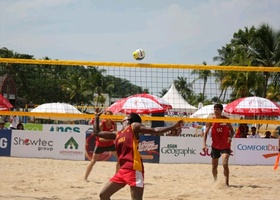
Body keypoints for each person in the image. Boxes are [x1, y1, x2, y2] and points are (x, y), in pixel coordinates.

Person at [93, 108, 184, 200]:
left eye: (126, 115)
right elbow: (97, 133)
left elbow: (155, 130)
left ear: (128, 118)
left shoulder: (134, 126)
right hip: (122, 169)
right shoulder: (118, 134)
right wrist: (96, 117)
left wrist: (174, 126)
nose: (124, 115)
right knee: (103, 195)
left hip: (134, 169)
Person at [202, 104, 235, 186]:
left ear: (221, 110)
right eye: (214, 109)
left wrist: (230, 137)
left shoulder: (226, 120)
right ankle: (215, 180)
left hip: (225, 146)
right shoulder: (211, 120)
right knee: (214, 167)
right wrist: (204, 144)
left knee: (224, 164)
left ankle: (227, 183)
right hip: (215, 146)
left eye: (217, 109)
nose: (215, 110)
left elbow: (233, 131)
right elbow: (205, 133)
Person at [84, 110, 119, 181]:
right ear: (105, 116)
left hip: (110, 144)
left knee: (120, 159)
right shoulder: (101, 124)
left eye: (110, 115)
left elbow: (115, 135)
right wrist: (111, 138)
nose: (109, 117)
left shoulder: (114, 124)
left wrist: (113, 138)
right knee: (93, 161)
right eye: (107, 115)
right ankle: (85, 177)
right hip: (100, 145)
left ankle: (116, 176)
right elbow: (100, 139)